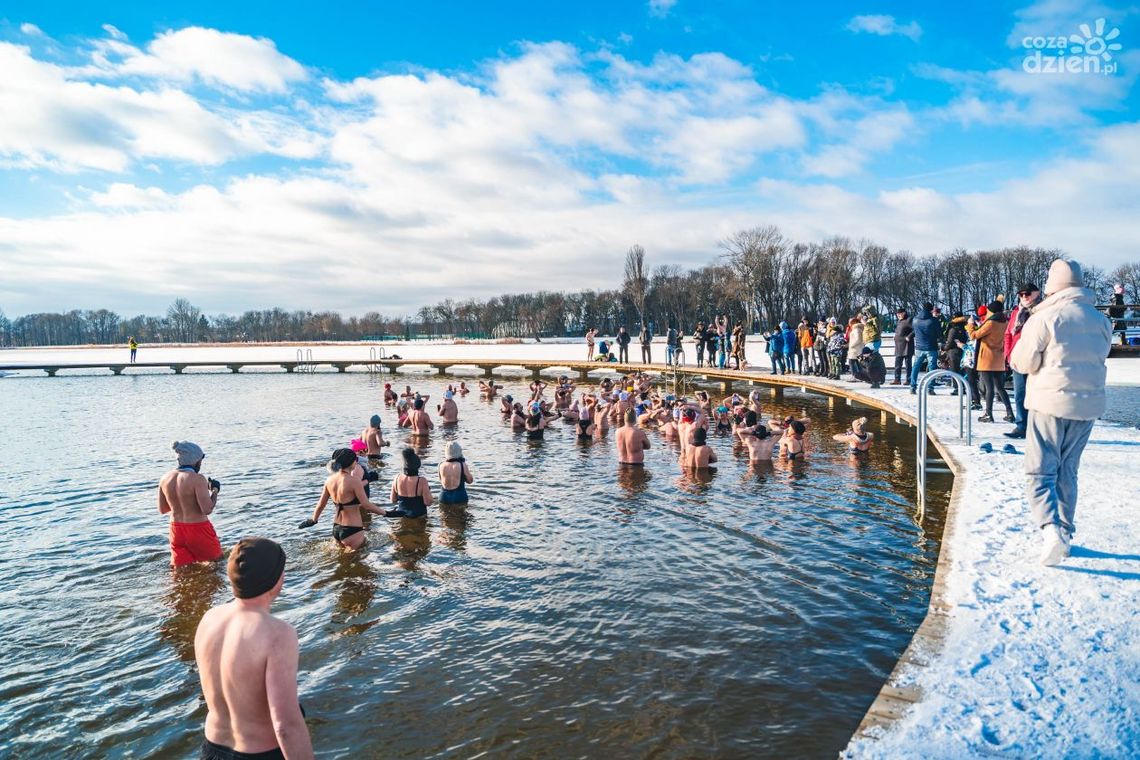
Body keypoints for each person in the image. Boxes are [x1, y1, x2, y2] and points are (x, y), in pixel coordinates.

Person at [1010, 259, 1112, 566]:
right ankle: (1066, 533)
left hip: (1049, 403)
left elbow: (1023, 362)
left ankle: (1051, 530)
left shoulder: (1045, 317)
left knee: (1040, 471)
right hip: (1087, 405)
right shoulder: (1100, 319)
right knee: (1068, 469)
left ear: (1052, 285)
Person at [195, 538, 313, 760]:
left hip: (212, 749)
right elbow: (286, 725)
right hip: (259, 753)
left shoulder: (209, 619)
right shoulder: (278, 633)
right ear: (276, 579)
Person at [299, 448, 387, 549]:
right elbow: (367, 505)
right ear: (351, 462)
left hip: (336, 528)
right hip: (353, 529)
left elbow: (321, 505)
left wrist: (313, 520)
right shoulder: (354, 481)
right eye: (355, 460)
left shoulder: (329, 480)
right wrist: (387, 513)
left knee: (343, 560)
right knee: (356, 561)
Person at [159, 441, 224, 567]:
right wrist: (215, 490)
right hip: (198, 529)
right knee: (217, 564)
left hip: (176, 530)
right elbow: (207, 509)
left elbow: (163, 509)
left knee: (180, 571)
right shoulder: (198, 479)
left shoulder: (165, 478)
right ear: (196, 461)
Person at [1003, 283, 1042, 439]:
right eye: (1021, 294)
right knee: (1020, 394)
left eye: (1027, 293)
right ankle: (1021, 426)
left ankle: (1038, 428)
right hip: (1018, 360)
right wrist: (1008, 354)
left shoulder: (1043, 311)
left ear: (1036, 293)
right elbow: (1008, 334)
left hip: (1037, 359)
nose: (1024, 297)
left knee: (1038, 394)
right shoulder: (1016, 313)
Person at [968, 300, 1014, 423]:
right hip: (999, 359)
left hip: (986, 359)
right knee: (1000, 387)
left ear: (991, 311)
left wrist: (970, 325)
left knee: (989, 388)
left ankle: (988, 414)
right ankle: (1010, 413)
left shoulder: (991, 323)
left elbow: (974, 335)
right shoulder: (1005, 322)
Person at [386, 448, 434, 518]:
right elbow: (428, 502)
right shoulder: (422, 481)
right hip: (419, 515)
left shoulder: (397, 478)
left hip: (402, 514)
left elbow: (393, 500)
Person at [909, 302, 942, 394]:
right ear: (931, 310)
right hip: (931, 347)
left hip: (919, 347)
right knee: (932, 367)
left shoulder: (915, 319)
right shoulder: (933, 320)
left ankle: (912, 386)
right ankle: (930, 388)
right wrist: (942, 342)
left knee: (915, 367)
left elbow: (914, 332)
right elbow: (940, 334)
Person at [892, 308, 913, 385]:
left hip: (907, 345)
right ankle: (897, 379)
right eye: (897, 314)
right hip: (898, 345)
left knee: (908, 364)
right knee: (897, 364)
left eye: (899, 313)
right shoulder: (899, 321)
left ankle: (909, 380)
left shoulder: (909, 319)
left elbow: (914, 330)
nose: (898, 315)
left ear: (904, 313)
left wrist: (909, 337)